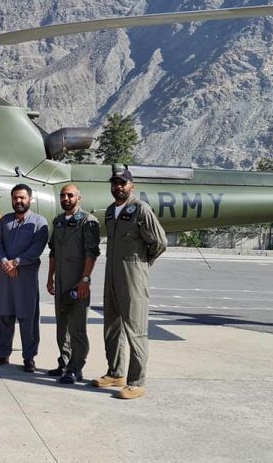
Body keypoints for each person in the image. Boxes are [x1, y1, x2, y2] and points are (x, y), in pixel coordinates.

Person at [94, 165, 167, 399]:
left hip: (133, 277)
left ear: (131, 186)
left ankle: (137, 381)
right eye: (115, 183)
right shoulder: (109, 212)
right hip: (112, 275)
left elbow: (159, 242)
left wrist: (141, 264)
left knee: (135, 329)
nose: (118, 187)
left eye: (122, 183)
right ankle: (115, 372)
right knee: (112, 326)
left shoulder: (140, 210)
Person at [0, 184, 49, 372]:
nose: (19, 201)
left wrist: (16, 262)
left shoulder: (40, 222)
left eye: (22, 198)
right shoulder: (5, 221)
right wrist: (6, 262)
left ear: (30, 199)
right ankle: (3, 353)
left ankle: (29, 357)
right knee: (4, 315)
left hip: (26, 277)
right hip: (5, 277)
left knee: (27, 317)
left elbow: (37, 248)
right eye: (15, 198)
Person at [46, 184, 100, 384]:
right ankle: (64, 362)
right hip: (60, 281)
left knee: (77, 328)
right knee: (62, 327)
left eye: (70, 195)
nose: (66, 198)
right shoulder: (59, 222)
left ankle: (76, 368)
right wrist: (50, 277)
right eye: (63, 195)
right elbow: (53, 252)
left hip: (78, 283)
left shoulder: (88, 222)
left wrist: (85, 280)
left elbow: (91, 253)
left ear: (79, 198)